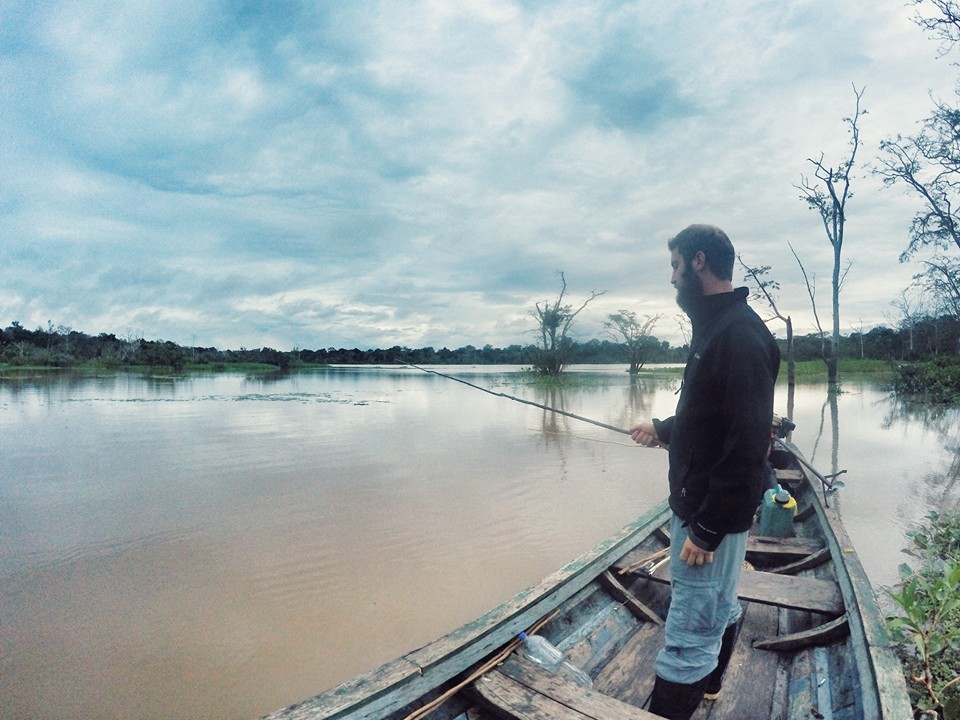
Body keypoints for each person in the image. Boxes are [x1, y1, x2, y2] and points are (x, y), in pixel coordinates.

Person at [630, 224, 780, 720]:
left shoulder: (738, 334)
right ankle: (714, 684)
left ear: (698, 262)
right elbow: (709, 415)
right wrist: (663, 429)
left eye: (674, 266)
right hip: (699, 506)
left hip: (709, 516)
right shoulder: (716, 325)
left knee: (688, 635)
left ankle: (685, 693)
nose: (671, 278)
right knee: (720, 603)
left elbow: (748, 442)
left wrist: (709, 529)